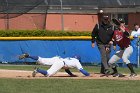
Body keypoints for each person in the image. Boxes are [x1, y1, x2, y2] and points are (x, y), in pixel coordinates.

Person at [19, 53, 90, 77]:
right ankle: (38, 70)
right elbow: (82, 71)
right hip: (60, 62)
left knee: (41, 60)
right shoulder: (77, 62)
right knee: (48, 74)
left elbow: (67, 69)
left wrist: (71, 75)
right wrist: (88, 75)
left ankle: (29, 55)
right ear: (79, 59)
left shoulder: (69, 59)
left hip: (57, 58)